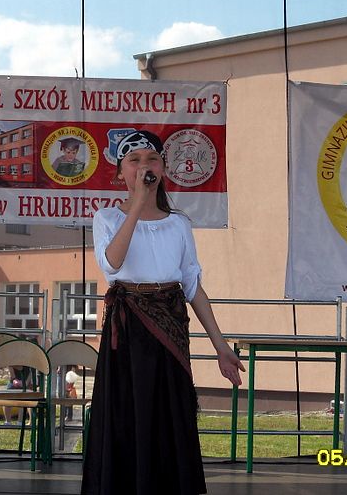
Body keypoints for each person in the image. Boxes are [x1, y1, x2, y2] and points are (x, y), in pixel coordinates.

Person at [82, 130, 244, 495]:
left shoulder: (179, 223)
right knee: (129, 412)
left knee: (170, 410)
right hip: (129, 328)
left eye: (152, 159)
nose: (144, 166)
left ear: (164, 168)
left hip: (170, 324)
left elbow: (193, 286)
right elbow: (113, 263)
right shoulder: (107, 218)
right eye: (134, 160)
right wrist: (138, 204)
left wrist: (221, 346)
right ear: (120, 173)